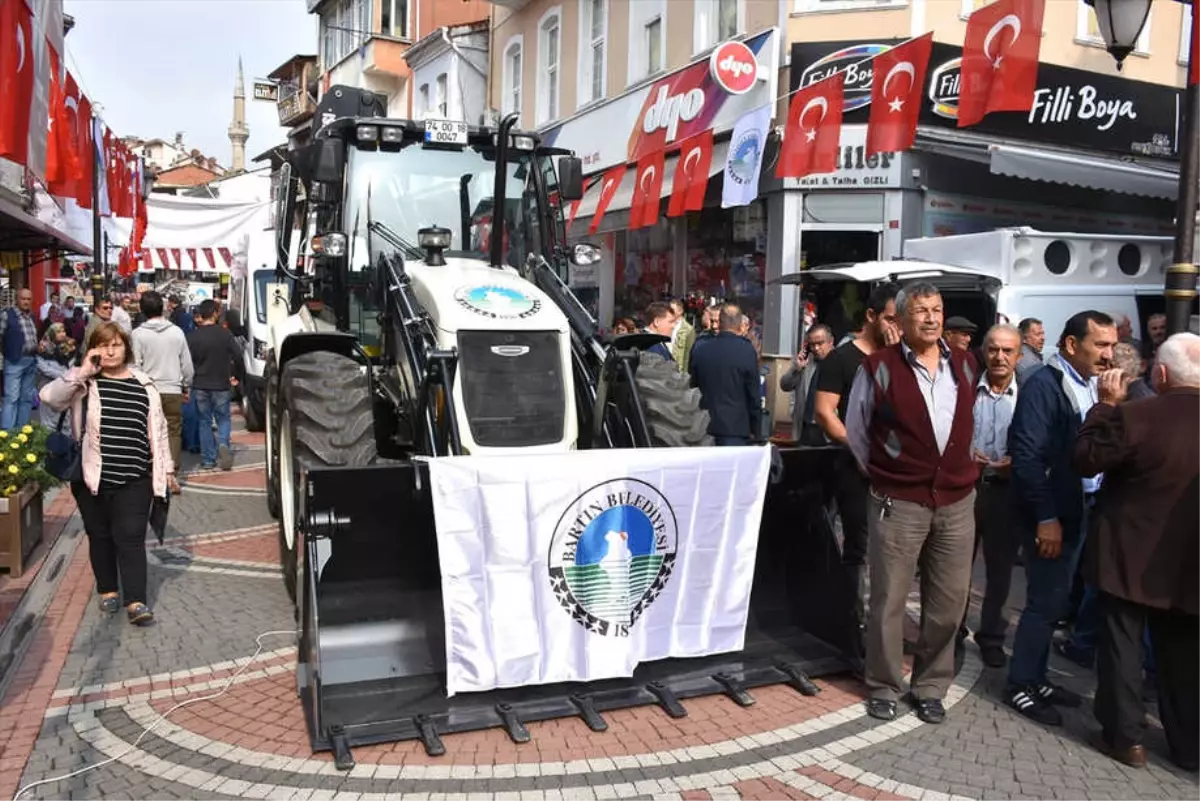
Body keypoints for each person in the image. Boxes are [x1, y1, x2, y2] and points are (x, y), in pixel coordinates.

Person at [846, 282, 979, 725]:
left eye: (937, 309)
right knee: (888, 598)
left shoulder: (964, 364)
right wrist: (887, 474)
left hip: (957, 501)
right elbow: (858, 432)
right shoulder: (878, 367)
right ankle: (884, 684)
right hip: (898, 500)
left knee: (949, 601)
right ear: (900, 320)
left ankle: (930, 685)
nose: (931, 318)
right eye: (921, 311)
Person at [1072, 332, 1200, 770]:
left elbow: (1085, 457)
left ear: (1159, 374)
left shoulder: (1137, 415)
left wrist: (1105, 406)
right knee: (1183, 655)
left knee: (1122, 647)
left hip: (1129, 552)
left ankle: (1126, 737)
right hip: (1187, 562)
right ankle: (1187, 746)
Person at [1005, 310, 1118, 726]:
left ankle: (1036, 677)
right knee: (1043, 602)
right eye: (1100, 345)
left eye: (1111, 344)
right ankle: (1019, 684)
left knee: (1056, 603)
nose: (1109, 354)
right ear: (1072, 345)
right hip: (1054, 513)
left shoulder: (1089, 384)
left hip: (1081, 509)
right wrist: (1046, 517)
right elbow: (1029, 458)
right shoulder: (1044, 386)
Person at [39, 321, 172, 626]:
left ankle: (136, 600)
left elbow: (159, 431)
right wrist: (82, 371)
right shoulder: (84, 383)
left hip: (136, 478)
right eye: (103, 344)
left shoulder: (144, 384)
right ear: (93, 349)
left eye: (116, 344)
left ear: (126, 347)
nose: (110, 351)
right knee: (100, 536)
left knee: (131, 537)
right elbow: (48, 397)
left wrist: (166, 471)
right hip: (91, 478)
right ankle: (108, 588)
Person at [813, 283, 900, 630]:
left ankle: (883, 628)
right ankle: (852, 627)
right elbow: (825, 413)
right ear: (871, 316)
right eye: (891, 319)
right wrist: (862, 449)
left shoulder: (900, 358)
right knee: (859, 550)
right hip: (857, 470)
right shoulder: (843, 359)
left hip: (896, 474)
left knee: (893, 554)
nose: (897, 327)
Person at [959, 324, 1022, 668]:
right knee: (955, 567)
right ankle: (951, 632)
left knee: (1000, 572)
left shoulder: (1028, 391)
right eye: (993, 349)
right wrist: (966, 453)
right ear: (984, 352)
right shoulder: (965, 386)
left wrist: (1020, 461)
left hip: (1006, 492)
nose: (999, 357)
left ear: (1019, 355)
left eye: (1007, 351)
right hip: (966, 488)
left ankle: (992, 637)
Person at [132, 291, 193, 495]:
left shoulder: (138, 334)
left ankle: (150, 470)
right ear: (163, 307)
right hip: (173, 389)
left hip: (148, 390)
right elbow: (187, 365)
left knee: (147, 431)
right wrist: (186, 385)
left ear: (142, 309)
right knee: (173, 430)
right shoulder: (176, 332)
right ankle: (171, 471)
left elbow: (135, 366)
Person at [688, 303, 761, 446]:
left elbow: (692, 386)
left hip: (703, 424)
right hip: (735, 427)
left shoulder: (700, 347)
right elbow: (753, 393)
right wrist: (757, 429)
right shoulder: (746, 350)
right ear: (740, 324)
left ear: (719, 323)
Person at [186, 299, 242, 471]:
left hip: (200, 383)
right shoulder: (225, 335)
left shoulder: (193, 336)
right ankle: (223, 444)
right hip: (221, 383)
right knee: (223, 418)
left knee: (204, 421)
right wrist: (236, 376)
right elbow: (238, 356)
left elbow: (187, 362)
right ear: (216, 314)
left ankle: (208, 459)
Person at [779, 324, 833, 445]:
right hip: (805, 426)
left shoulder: (838, 363)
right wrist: (796, 368)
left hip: (827, 428)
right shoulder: (806, 362)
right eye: (812, 344)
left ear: (830, 342)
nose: (816, 348)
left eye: (820, 343)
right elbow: (785, 385)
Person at [0, 288, 41, 430]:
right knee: (11, 398)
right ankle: (7, 434)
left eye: (29, 299)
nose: (26, 302)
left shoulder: (32, 316)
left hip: (31, 361)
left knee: (26, 399)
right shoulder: (7, 315)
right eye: (23, 299)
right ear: (17, 299)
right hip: (14, 361)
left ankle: (20, 432)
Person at [34, 323, 77, 428]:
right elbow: (43, 367)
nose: (63, 334)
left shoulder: (70, 346)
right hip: (48, 386)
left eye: (64, 331)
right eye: (59, 332)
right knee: (48, 420)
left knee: (65, 417)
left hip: (65, 386)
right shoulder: (43, 347)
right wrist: (62, 375)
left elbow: (72, 365)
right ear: (52, 334)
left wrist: (66, 376)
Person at [1016, 317, 1045, 387]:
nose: (1043, 338)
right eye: (1038, 334)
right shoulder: (1029, 362)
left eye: (1042, 334)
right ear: (1024, 338)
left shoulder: (1032, 357)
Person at [669, 299, 696, 374]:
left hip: (678, 370)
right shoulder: (666, 325)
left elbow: (688, 356)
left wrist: (685, 375)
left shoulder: (688, 329)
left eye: (672, 310)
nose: (669, 312)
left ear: (680, 311)